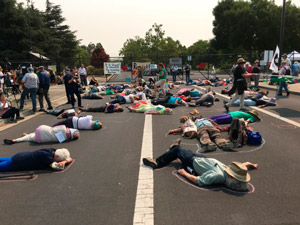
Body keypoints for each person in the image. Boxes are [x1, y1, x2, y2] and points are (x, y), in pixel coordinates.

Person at [143, 141, 257, 191]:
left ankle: (157, 162)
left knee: (178, 151)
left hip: (192, 162)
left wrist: (184, 173)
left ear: (231, 177)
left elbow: (199, 181)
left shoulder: (217, 175)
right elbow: (242, 166)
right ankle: (174, 149)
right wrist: (249, 164)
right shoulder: (231, 173)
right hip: (202, 159)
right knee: (185, 151)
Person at [0, 148, 72, 172]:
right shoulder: (47, 157)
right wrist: (64, 162)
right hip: (17, 163)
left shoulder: (52, 150)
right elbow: (56, 167)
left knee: (2, 160)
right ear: (57, 156)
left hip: (19, 156)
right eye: (59, 160)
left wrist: (65, 161)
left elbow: (70, 158)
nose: (59, 162)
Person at [3, 125, 79, 145]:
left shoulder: (63, 127)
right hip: (40, 139)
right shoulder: (64, 139)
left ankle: (17, 139)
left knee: (33, 134)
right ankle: (15, 140)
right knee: (31, 137)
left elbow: (53, 128)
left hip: (42, 129)